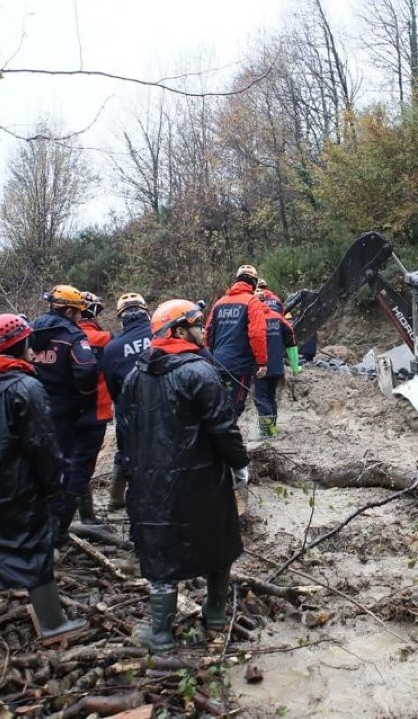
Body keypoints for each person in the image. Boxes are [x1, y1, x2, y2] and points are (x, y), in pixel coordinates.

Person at [119, 299, 250, 653]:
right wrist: (239, 465)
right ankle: (216, 614)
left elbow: (125, 433)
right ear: (178, 331)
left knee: (161, 554)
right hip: (203, 480)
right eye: (196, 322)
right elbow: (224, 429)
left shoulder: (135, 375)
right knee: (218, 542)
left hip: (153, 485)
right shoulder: (200, 373)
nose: (203, 328)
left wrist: (130, 475)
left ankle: (161, 633)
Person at [0, 313, 88, 645]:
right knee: (32, 548)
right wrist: (54, 483)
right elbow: (42, 443)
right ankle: (53, 624)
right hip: (18, 486)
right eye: (29, 341)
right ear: (19, 344)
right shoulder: (27, 388)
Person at [29, 284, 99, 547]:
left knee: (37, 466)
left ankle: (35, 528)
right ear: (69, 310)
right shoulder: (73, 336)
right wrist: (84, 399)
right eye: (79, 312)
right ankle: (54, 534)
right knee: (62, 469)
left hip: (33, 408)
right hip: (63, 412)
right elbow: (86, 370)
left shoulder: (32, 331)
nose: (82, 317)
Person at [100, 292, 152, 510]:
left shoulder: (112, 347)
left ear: (121, 317)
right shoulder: (160, 334)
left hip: (127, 409)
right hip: (162, 405)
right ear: (146, 313)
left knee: (126, 453)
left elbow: (111, 386)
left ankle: (116, 498)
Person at [204, 264, 269, 420]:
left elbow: (208, 333)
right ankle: (227, 443)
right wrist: (262, 362)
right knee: (235, 408)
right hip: (240, 365)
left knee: (218, 406)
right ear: (254, 282)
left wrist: (210, 357)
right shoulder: (252, 302)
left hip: (217, 363)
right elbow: (257, 334)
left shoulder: (219, 303)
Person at [74, 292, 113, 527]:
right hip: (95, 411)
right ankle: (85, 517)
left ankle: (82, 514)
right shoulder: (103, 339)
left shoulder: (59, 338)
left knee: (72, 462)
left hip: (65, 412)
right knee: (84, 465)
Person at [253, 280, 301, 438]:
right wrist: (295, 367)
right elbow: (291, 342)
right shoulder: (279, 318)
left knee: (261, 398)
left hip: (260, 367)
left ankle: (266, 433)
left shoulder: (252, 320)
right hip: (276, 366)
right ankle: (272, 429)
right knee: (270, 397)